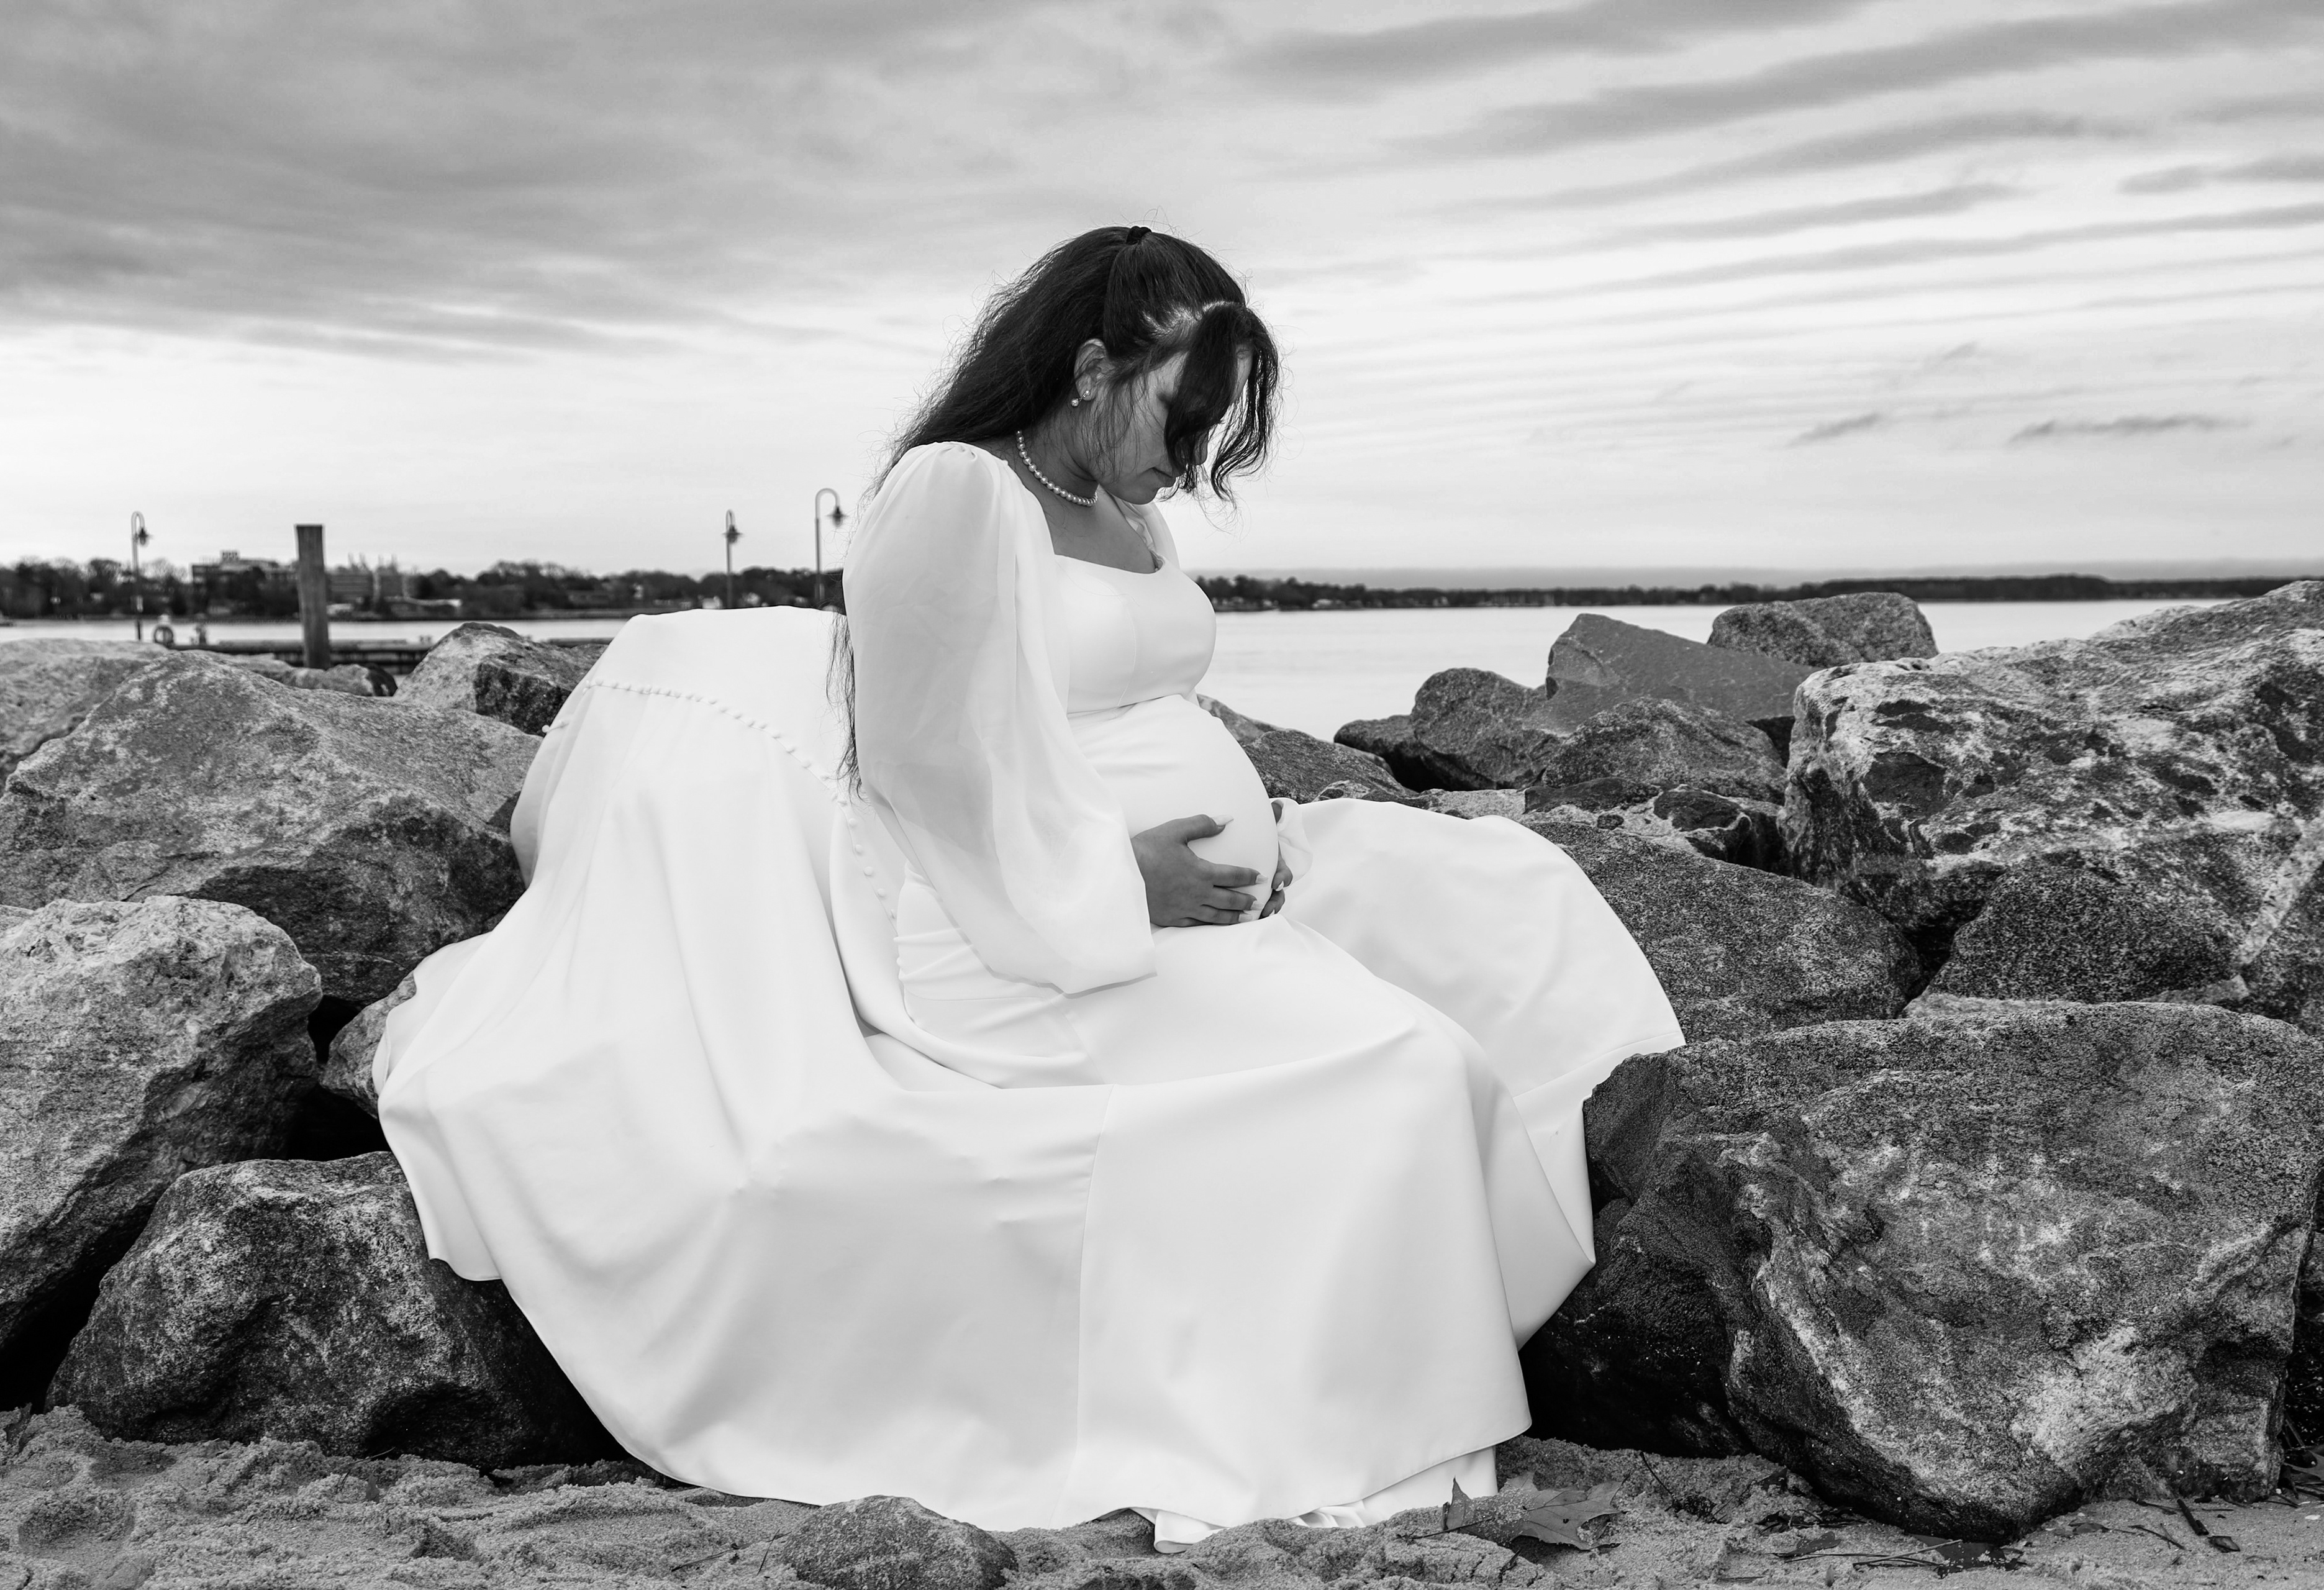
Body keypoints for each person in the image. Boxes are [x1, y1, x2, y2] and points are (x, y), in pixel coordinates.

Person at [375, 225, 1682, 1552]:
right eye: (1183, 416)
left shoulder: (1122, 505)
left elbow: (1123, 701)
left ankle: (1425, 1370)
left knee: (1507, 913)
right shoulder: (953, 496)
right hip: (1007, 942)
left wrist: (1252, 838)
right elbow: (923, 770)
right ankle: (1348, 1422)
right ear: (1093, 367)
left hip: (1148, 908)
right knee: (1407, 1071)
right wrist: (1120, 875)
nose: (1192, 459)